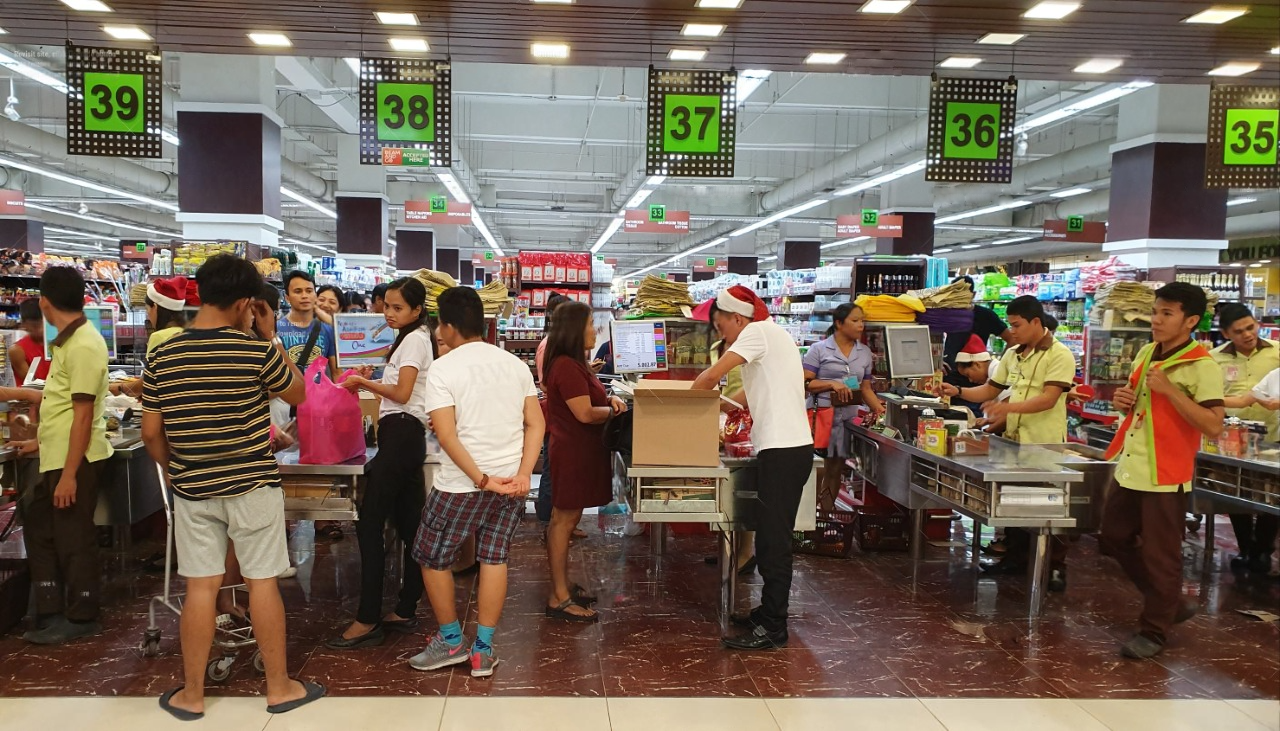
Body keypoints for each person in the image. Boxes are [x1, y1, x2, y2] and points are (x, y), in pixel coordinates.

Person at [141, 254, 324, 718]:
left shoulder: (163, 353)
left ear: (200, 293)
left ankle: (193, 694)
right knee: (262, 582)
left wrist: (178, 469)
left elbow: (149, 433)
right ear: (247, 302)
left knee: (201, 587)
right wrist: (267, 335)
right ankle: (279, 687)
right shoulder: (256, 351)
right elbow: (299, 394)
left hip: (193, 487)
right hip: (252, 484)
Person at [408, 286, 544, 678]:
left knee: (431, 557)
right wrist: (522, 474)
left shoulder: (444, 368)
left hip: (462, 485)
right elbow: (537, 423)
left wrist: (482, 479)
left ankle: (451, 641)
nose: (437, 332)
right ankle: (483, 650)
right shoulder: (513, 365)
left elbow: (446, 436)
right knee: (493, 559)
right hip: (510, 485)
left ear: (448, 326)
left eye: (439, 324)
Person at [1099, 282, 1225, 659]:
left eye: (1166, 314)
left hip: (1166, 473)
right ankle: (1169, 601)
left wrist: (1171, 391)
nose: (1155, 320)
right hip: (1132, 465)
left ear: (1190, 321)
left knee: (1161, 555)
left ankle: (1154, 630)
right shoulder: (1146, 353)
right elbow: (1138, 406)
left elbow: (1213, 424)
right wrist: (1123, 401)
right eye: (1155, 311)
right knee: (1112, 536)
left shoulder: (1202, 366)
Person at [692, 285, 812, 651]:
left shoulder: (756, 332)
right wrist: (727, 406)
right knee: (769, 537)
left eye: (720, 325)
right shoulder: (773, 334)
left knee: (774, 544)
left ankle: (774, 627)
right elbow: (748, 392)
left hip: (783, 450)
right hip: (787, 448)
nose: (720, 334)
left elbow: (711, 377)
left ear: (737, 318)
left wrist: (684, 402)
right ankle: (766, 612)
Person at [939, 296, 1077, 589]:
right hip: (1015, 441)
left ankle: (1055, 568)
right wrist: (959, 390)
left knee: (1049, 508)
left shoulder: (1059, 355)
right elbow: (990, 389)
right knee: (1014, 502)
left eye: (1016, 325)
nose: (1011, 331)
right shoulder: (1014, 354)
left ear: (1036, 323)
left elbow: (1049, 398)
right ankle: (1015, 560)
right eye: (1011, 325)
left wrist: (1009, 408)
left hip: (1045, 444)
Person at [6, 267, 113, 645]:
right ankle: (53, 609)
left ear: (46, 304)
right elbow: (63, 407)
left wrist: (69, 474)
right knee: (47, 528)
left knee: (74, 537)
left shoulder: (83, 344)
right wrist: (40, 443)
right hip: (61, 455)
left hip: (76, 460)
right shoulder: (69, 343)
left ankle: (83, 615)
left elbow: (83, 415)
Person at [327, 278, 435, 649]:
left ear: (417, 310)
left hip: (403, 435)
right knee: (409, 528)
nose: (388, 313)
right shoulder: (408, 339)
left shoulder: (416, 340)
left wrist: (362, 382)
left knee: (370, 523)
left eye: (397, 308)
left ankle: (367, 618)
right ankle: (405, 607)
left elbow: (403, 394)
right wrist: (374, 380)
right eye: (385, 305)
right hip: (404, 436)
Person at [541, 301, 627, 623]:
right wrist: (615, 412)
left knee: (568, 520)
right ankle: (558, 597)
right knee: (563, 522)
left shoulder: (575, 365)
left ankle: (563, 586)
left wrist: (610, 399)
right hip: (572, 453)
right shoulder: (565, 365)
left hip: (578, 452)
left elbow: (591, 399)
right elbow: (584, 413)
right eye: (591, 324)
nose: (595, 330)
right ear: (576, 330)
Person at [1210, 303, 1279, 573]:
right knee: (1235, 493)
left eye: (1250, 327)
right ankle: (1245, 548)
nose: (1248, 334)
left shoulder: (1276, 352)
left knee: (1271, 495)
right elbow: (1212, 396)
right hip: (1233, 438)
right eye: (1239, 331)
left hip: (1273, 434)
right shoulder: (1214, 359)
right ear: (1227, 334)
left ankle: (1263, 549)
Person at [803, 303, 885, 509]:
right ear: (839, 323)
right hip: (820, 418)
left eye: (862, 321)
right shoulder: (819, 350)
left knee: (835, 469)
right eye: (855, 321)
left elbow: (865, 389)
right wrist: (831, 384)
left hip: (846, 420)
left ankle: (826, 517)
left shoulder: (864, 352)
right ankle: (806, 519)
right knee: (815, 469)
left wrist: (880, 411)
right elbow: (804, 383)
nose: (861, 325)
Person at [112, 276, 190, 399]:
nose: (148, 315)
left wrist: (118, 387)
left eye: (147, 309)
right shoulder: (188, 333)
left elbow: (145, 385)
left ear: (155, 307)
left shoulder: (159, 337)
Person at [278, 271, 338, 382]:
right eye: (298, 291)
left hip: (318, 398)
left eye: (309, 291)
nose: (304, 296)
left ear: (315, 295)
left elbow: (336, 374)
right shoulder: (277, 330)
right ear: (287, 298)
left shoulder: (327, 330)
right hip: (286, 398)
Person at [943, 276, 1012, 370]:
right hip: (949, 372)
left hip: (976, 374)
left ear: (973, 294)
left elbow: (1011, 339)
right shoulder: (948, 314)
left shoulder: (986, 315)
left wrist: (1000, 366)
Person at [943, 334, 994, 416]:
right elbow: (986, 391)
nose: (970, 380)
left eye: (968, 375)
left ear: (977, 364)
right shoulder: (990, 377)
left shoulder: (997, 371)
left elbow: (1005, 413)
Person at [8, 298, 50, 384]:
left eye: (42, 324)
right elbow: (33, 384)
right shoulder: (17, 350)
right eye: (35, 326)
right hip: (34, 395)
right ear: (24, 325)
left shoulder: (60, 343)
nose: (41, 329)